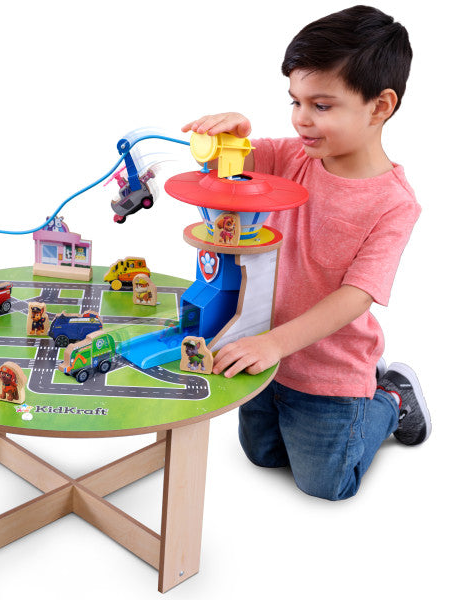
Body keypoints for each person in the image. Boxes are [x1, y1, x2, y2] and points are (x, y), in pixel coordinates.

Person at [182, 5, 431, 500]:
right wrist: (229, 141)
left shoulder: (394, 203)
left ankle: (391, 396)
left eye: (321, 105)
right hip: (260, 345)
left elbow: (357, 295)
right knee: (262, 455)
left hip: (327, 368)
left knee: (327, 484)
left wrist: (276, 344)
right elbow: (232, 171)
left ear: (380, 106)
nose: (301, 119)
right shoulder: (293, 155)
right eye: (295, 101)